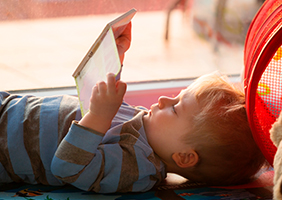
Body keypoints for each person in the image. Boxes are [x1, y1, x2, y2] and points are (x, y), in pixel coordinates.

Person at [0, 22, 266, 193]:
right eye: (176, 97)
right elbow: (103, 101)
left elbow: (67, 167)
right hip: (10, 108)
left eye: (175, 109)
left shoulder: (138, 167)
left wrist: (99, 115)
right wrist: (114, 57)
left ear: (184, 157)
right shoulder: (148, 127)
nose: (163, 100)